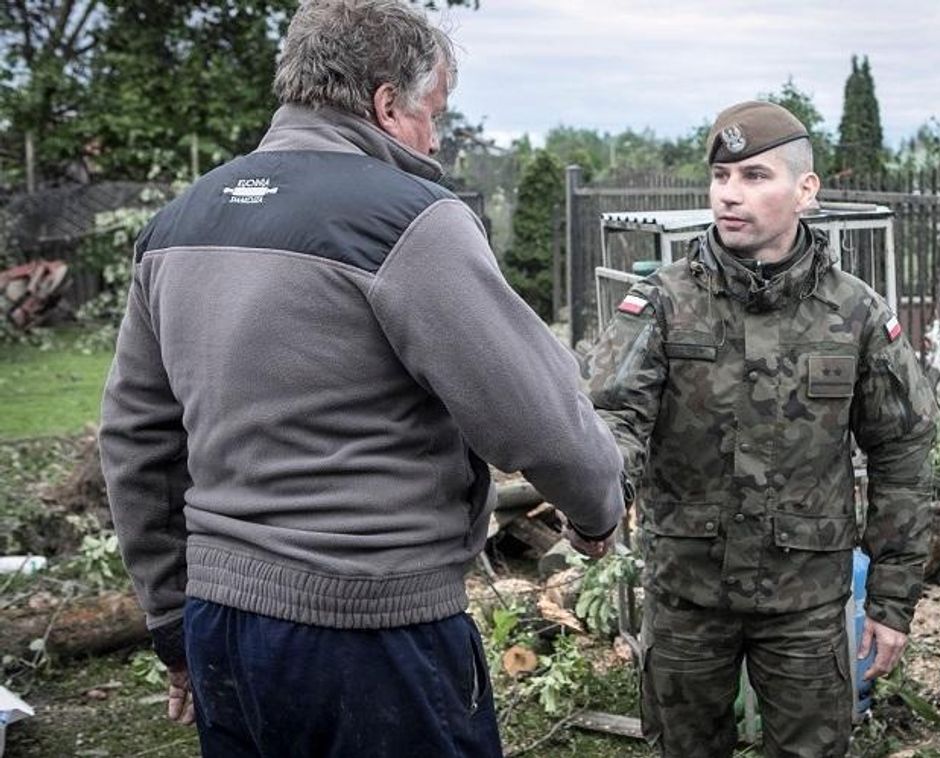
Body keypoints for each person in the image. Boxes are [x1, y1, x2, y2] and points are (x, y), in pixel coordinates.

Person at [98, 2, 625, 756]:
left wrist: (171, 622)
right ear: (386, 104)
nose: (435, 138)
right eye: (432, 112)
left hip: (220, 625)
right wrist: (598, 512)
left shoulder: (180, 222)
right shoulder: (408, 221)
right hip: (374, 630)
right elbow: (540, 418)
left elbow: (134, 441)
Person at [583, 100, 938, 758]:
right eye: (721, 177)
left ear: (806, 191)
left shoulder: (855, 314)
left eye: (753, 177)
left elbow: (903, 452)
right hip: (687, 593)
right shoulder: (663, 304)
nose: (729, 195)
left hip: (804, 601)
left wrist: (890, 600)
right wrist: (600, 497)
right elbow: (613, 418)